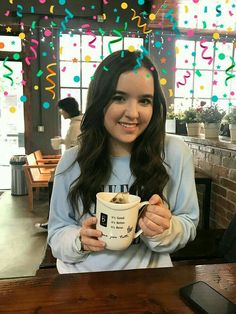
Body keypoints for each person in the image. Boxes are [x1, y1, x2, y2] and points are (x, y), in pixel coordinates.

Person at [48, 49, 199, 273]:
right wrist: (79, 240)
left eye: (145, 101)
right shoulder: (71, 161)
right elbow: (57, 233)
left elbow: (188, 223)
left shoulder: (175, 153)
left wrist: (163, 230)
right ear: (99, 101)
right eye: (119, 98)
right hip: (80, 281)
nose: (133, 113)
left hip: (148, 280)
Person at [35, 97, 82, 231]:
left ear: (68, 110)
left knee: (54, 186)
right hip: (73, 166)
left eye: (61, 109)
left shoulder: (76, 126)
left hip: (74, 167)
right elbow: (73, 143)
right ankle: (53, 220)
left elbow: (76, 149)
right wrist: (62, 141)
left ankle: (53, 222)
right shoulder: (78, 123)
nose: (61, 112)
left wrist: (65, 168)